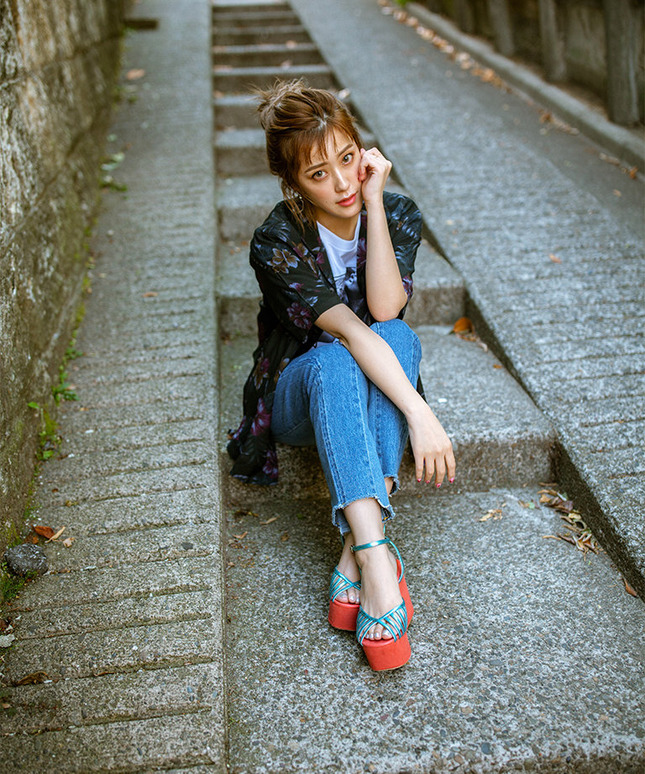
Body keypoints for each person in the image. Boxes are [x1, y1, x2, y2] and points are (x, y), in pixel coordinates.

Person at [227, 80, 455, 671]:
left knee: (398, 336)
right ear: (293, 183)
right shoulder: (277, 240)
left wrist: (375, 204)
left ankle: (358, 550)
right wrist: (420, 413)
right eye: (319, 174)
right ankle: (378, 557)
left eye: (349, 159)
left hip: (371, 378)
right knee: (334, 356)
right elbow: (351, 332)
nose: (343, 183)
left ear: (363, 150)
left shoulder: (396, 213)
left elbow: (384, 309)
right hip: (300, 396)